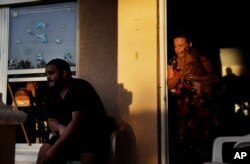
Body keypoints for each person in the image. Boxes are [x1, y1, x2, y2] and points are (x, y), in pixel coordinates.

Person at [36, 58, 116, 164]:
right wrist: (60, 128)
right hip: (66, 133)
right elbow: (51, 120)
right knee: (44, 150)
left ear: (64, 73)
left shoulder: (80, 87)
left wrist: (54, 150)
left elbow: (76, 122)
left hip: (91, 132)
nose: (48, 78)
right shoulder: (52, 92)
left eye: (51, 73)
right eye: (47, 74)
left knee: (88, 157)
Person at [167, 29, 221, 164]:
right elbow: (169, 84)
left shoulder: (200, 58)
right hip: (184, 108)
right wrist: (180, 74)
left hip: (203, 104)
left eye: (181, 45)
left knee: (206, 140)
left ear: (189, 45)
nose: (178, 49)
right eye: (175, 45)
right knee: (186, 143)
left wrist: (194, 76)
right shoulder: (172, 62)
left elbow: (215, 78)